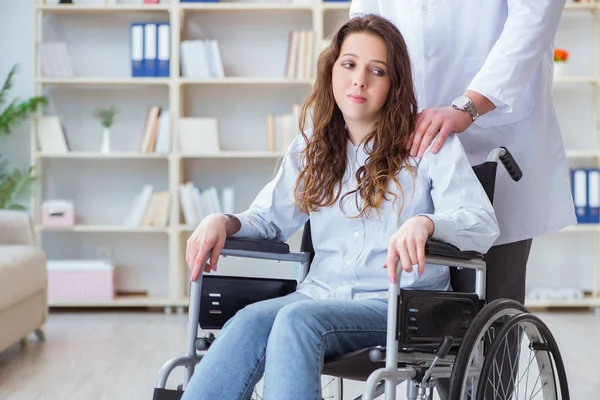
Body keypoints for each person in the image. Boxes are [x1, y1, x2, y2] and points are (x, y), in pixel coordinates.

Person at [182, 15, 499, 400]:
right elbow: (269, 219)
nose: (359, 80)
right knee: (249, 321)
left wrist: (426, 223)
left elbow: (481, 224)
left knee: (296, 320)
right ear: (332, 70)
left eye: (376, 70)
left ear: (393, 84)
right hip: (318, 296)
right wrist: (224, 222)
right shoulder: (310, 148)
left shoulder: (428, 145)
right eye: (349, 64)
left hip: (396, 306)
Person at [348, 0, 576, 305]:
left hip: (493, 132)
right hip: (405, 139)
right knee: (395, 300)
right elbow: (365, 24)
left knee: (491, 301)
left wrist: (469, 105)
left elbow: (535, 16)